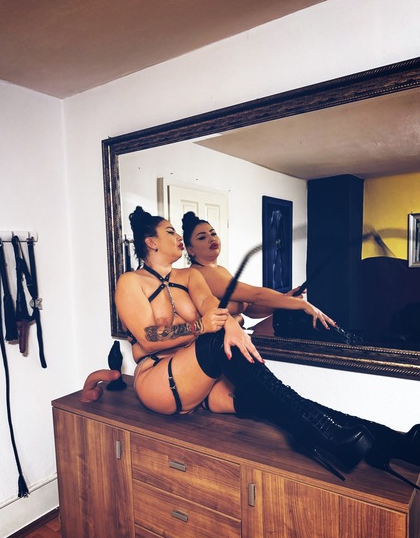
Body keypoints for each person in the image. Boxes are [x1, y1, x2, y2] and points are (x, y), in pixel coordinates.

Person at [81, 206, 419, 488]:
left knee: (282, 401)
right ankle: (318, 434)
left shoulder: (191, 276)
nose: (177, 236)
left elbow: (212, 307)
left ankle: (393, 443)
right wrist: (202, 326)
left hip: (202, 384)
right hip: (159, 380)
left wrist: (231, 326)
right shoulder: (130, 282)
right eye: (170, 232)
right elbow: (148, 337)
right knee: (217, 342)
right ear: (151, 241)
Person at [181, 210, 331, 335]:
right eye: (202, 237)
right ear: (190, 250)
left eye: (213, 233)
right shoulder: (200, 273)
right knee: (297, 316)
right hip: (216, 342)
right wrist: (301, 303)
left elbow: (250, 309)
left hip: (239, 333)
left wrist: (285, 299)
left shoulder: (219, 270)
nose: (211, 239)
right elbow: (256, 295)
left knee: (293, 315)